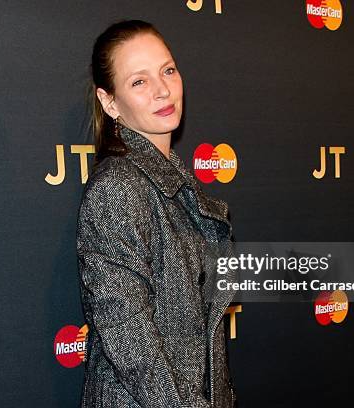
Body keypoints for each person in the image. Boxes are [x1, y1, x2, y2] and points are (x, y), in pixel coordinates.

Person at [76, 19, 237, 408]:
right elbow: (131, 339)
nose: (163, 90)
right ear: (110, 102)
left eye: (168, 70)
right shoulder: (117, 190)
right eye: (139, 81)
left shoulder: (175, 182)